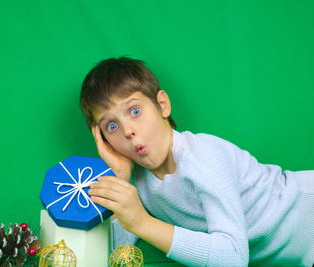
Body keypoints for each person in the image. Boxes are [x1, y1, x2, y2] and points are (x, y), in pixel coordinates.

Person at [79, 56, 314, 266]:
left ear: (162, 105)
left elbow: (232, 258)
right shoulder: (139, 181)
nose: (128, 130)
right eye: (111, 126)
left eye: (135, 111)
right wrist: (120, 179)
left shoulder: (202, 156)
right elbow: (119, 256)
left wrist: (142, 223)